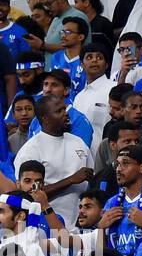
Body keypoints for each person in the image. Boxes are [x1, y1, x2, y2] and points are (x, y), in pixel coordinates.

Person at [15, 95, 93, 226]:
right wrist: (70, 180)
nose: (66, 114)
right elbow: (29, 195)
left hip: (80, 225)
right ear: (45, 118)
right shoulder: (31, 149)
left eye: (65, 109)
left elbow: (91, 180)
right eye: (59, 111)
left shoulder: (78, 142)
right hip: (45, 226)